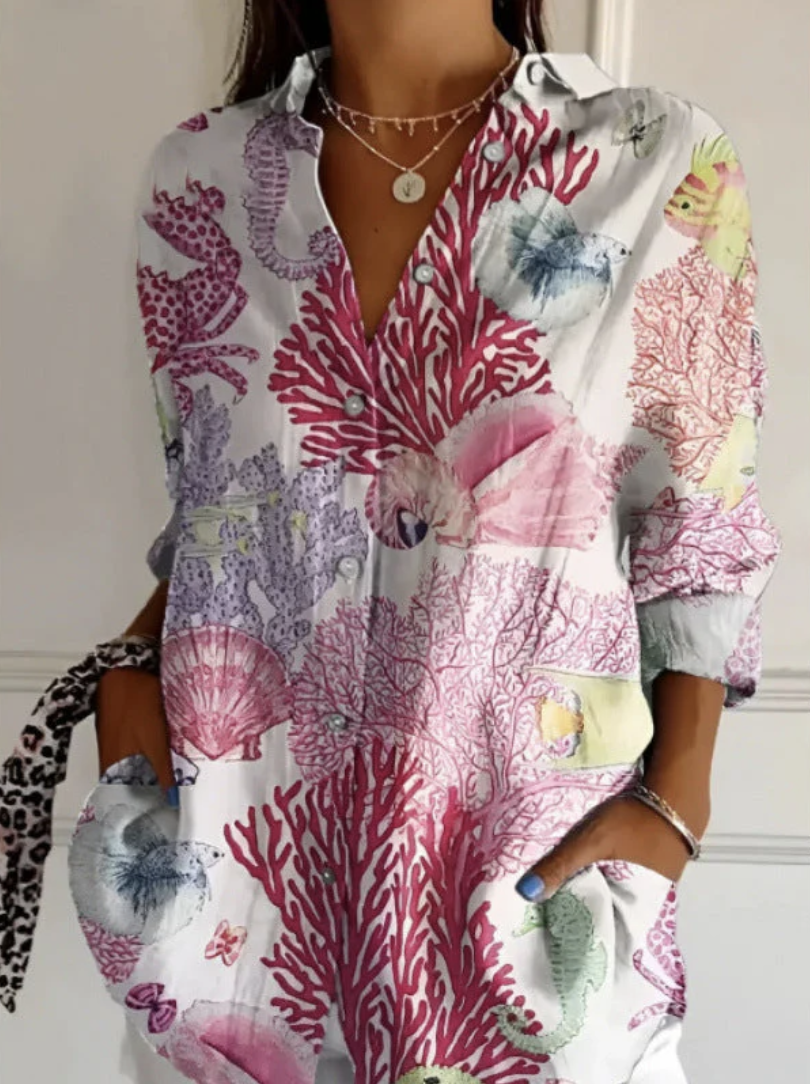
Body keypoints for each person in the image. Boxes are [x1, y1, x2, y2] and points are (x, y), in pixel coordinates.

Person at [0, 1, 780, 1082]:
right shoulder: (201, 179)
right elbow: (220, 510)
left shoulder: (652, 161)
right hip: (233, 947)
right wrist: (129, 688)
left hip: (533, 945)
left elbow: (700, 525)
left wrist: (678, 803)